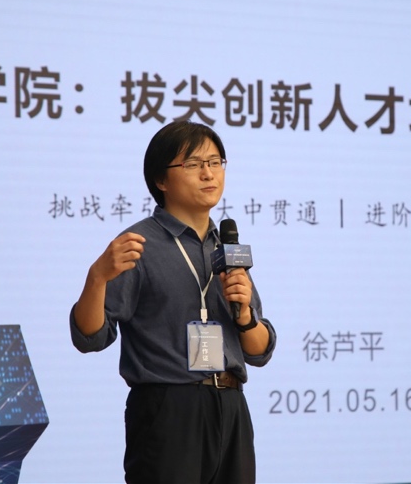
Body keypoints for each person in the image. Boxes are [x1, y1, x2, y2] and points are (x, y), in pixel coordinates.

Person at [70, 120, 277, 483]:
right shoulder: (138, 244)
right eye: (193, 164)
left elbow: (259, 352)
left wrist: (245, 316)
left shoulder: (227, 248)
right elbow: (90, 337)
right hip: (168, 410)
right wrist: (97, 277)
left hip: (231, 406)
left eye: (215, 162)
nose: (208, 174)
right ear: (160, 180)